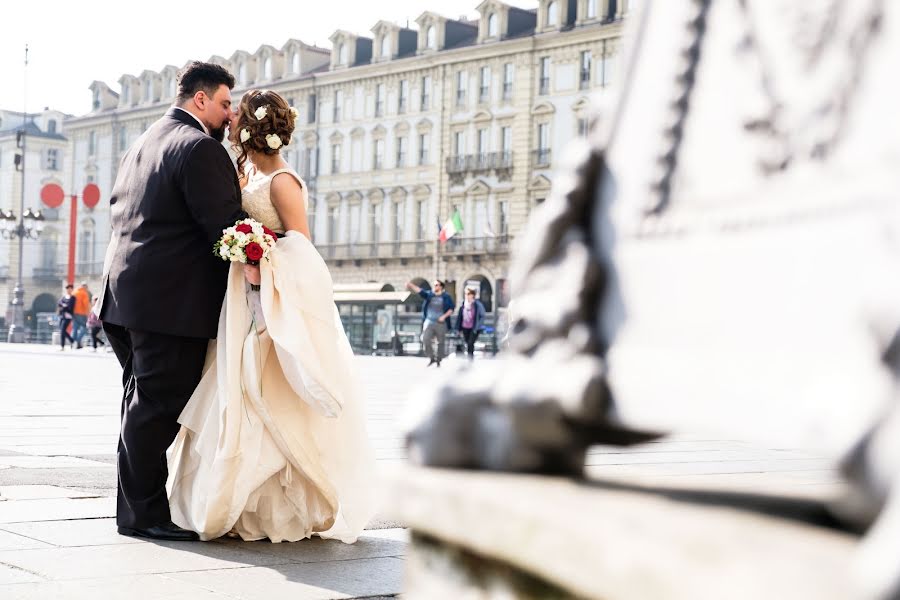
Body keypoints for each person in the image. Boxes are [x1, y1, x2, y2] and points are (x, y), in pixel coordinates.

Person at [167, 89, 375, 543]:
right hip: (240, 292)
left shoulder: (283, 181)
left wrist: (260, 257)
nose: (230, 122)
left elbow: (300, 244)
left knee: (262, 384)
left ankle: (276, 500)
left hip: (268, 293)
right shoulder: (243, 174)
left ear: (251, 128)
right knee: (232, 383)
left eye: (236, 117)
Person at [98, 61, 247, 542]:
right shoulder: (199, 148)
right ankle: (142, 516)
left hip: (125, 297)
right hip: (169, 306)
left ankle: (140, 509)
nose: (230, 114)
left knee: (140, 405)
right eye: (225, 103)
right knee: (156, 408)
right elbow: (225, 228)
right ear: (200, 100)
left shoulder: (143, 142)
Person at [405, 279, 455, 367]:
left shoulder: (446, 297)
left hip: (441, 323)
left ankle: (438, 359)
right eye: (434, 285)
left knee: (440, 342)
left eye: (437, 285)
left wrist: (443, 317)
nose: (435, 286)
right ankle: (431, 357)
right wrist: (411, 285)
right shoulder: (430, 295)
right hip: (429, 321)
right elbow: (420, 291)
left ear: (441, 287)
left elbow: (451, 309)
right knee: (425, 339)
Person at [455, 287, 486, 360]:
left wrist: (478, 326)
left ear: (473, 295)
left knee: (470, 343)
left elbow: (482, 316)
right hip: (465, 327)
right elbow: (460, 317)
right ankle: (469, 358)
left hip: (474, 328)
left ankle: (470, 359)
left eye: (469, 294)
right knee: (467, 343)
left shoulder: (477, 305)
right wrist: (458, 329)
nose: (467, 295)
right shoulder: (463, 304)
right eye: (466, 294)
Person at [72, 282, 91, 348]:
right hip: (81, 313)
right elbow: (85, 304)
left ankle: (72, 342)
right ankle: (78, 340)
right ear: (85, 287)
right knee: (85, 328)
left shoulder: (74, 292)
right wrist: (88, 313)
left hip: (74, 314)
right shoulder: (84, 293)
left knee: (75, 328)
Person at [56, 284, 76, 351]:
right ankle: (65, 345)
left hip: (68, 316)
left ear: (72, 290)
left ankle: (71, 341)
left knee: (62, 330)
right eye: (68, 289)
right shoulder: (64, 297)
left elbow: (70, 307)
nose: (69, 290)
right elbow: (59, 303)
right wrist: (64, 305)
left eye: (70, 289)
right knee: (62, 331)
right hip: (62, 315)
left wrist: (64, 305)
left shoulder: (73, 298)